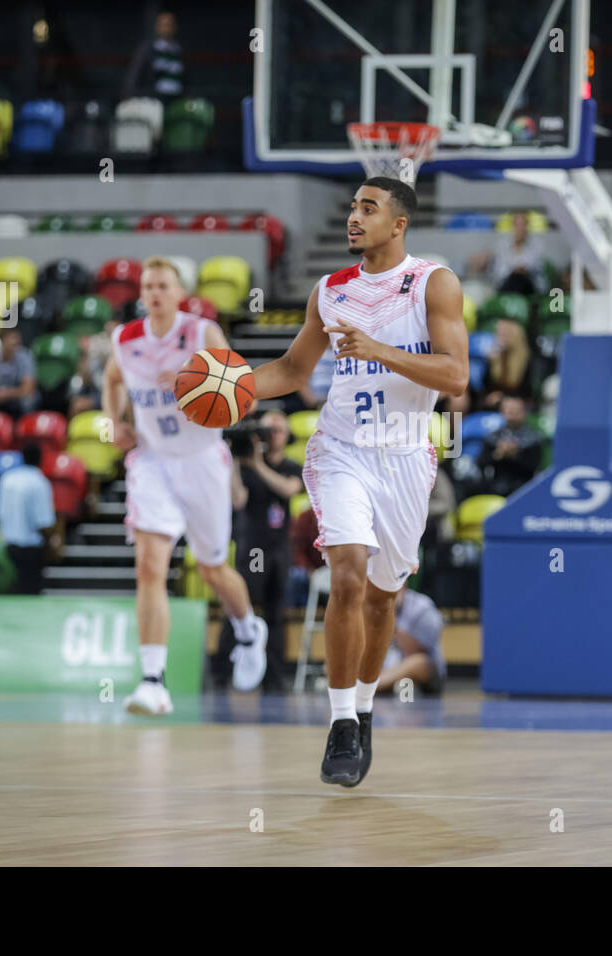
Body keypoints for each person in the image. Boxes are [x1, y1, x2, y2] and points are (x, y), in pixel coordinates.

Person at [251, 177, 468, 787]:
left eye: (367, 208)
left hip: (404, 457)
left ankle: (366, 708)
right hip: (340, 448)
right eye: (351, 207)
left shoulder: (434, 283)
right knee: (345, 570)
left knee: (382, 598)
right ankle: (341, 718)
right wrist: (234, 386)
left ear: (398, 224)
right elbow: (294, 370)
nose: (353, 217)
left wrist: (377, 348)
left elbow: (454, 374)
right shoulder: (330, 289)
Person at [103, 256, 267, 715]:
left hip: (202, 460)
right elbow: (112, 380)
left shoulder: (200, 333)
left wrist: (188, 382)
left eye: (163, 285)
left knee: (213, 568)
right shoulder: (125, 338)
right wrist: (115, 421)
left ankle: (250, 631)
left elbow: (243, 390)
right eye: (148, 286)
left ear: (181, 293)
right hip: (152, 461)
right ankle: (152, 681)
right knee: (150, 567)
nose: (154, 293)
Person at [214, 409, 304, 692]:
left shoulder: (290, 466)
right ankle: (221, 674)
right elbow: (237, 500)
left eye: (278, 429)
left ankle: (274, 679)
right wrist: (236, 463)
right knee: (242, 608)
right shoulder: (246, 465)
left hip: (279, 548)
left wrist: (257, 465)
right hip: (253, 547)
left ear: (287, 434)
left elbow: (290, 489)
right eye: (268, 430)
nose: (273, 435)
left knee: (277, 613)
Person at [0, 442, 56, 594]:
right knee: (29, 597)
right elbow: (44, 522)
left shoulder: (6, 479)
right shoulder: (39, 482)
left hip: (6, 547)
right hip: (30, 550)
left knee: (8, 593)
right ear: (40, 460)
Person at [376, 586, 446, 695]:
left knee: (417, 662)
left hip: (423, 673)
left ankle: (373, 687)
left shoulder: (423, 607)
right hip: (384, 668)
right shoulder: (370, 605)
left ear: (403, 585)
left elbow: (418, 651)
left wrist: (390, 621)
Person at [478, 394, 544, 497]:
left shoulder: (533, 437)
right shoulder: (493, 437)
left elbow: (536, 465)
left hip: (524, 487)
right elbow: (481, 462)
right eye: (509, 410)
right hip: (496, 487)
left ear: (524, 412)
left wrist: (516, 455)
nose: (513, 413)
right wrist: (497, 454)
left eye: (516, 410)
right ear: (502, 412)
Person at [468, 210, 546, 295]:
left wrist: (526, 270)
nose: (521, 228)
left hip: (528, 283)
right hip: (508, 283)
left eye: (524, 224)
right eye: (517, 225)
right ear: (513, 226)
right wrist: (513, 271)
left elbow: (539, 271)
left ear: (527, 226)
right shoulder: (502, 245)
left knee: (521, 279)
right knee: (515, 278)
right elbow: (498, 272)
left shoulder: (536, 246)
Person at [123, 11, 184, 102]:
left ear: (175, 27)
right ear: (157, 27)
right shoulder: (148, 49)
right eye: (162, 25)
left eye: (169, 24)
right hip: (155, 99)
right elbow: (135, 74)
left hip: (177, 97)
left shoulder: (178, 50)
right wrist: (128, 95)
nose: (166, 28)